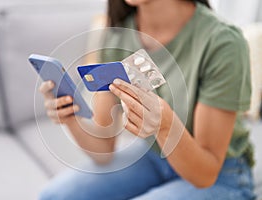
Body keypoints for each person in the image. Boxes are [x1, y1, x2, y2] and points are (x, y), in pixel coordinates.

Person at [39, 0, 255, 199]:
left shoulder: (223, 42)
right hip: (154, 155)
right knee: (54, 196)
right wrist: (71, 118)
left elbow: (205, 175)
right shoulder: (118, 34)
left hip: (219, 175)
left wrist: (165, 125)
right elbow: (103, 150)